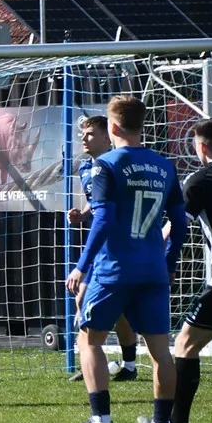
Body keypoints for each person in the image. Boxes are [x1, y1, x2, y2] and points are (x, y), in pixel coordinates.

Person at [64, 95, 187, 423]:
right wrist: (170, 262)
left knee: (89, 340)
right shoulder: (164, 166)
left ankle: (101, 420)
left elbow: (103, 218)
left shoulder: (106, 165)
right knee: (161, 351)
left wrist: (81, 266)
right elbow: (180, 222)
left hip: (114, 268)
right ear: (140, 125)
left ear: (113, 127)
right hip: (153, 270)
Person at [148, 117, 212, 423]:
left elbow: (177, 225)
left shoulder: (201, 180)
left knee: (184, 345)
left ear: (201, 147)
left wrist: (153, 250)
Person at [66, 115, 142, 382]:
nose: (83, 138)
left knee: (94, 301)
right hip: (101, 245)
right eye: (82, 134)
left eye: (89, 134)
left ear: (106, 137)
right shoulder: (85, 168)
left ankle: (116, 364)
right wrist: (82, 215)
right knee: (87, 300)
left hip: (119, 245)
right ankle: (113, 364)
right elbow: (97, 201)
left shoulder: (117, 164)